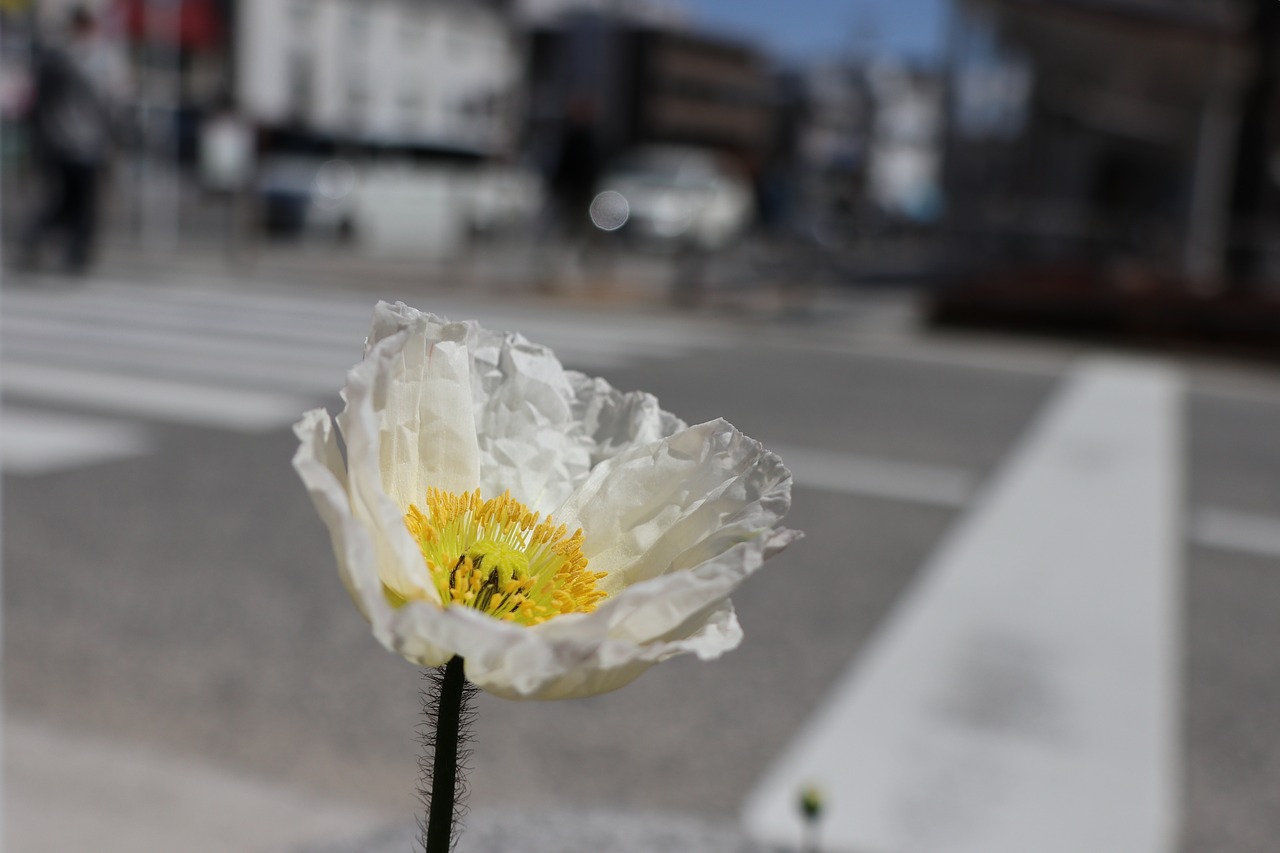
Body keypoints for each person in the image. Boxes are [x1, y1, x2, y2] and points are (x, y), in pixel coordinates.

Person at [21, 6, 125, 273]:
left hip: (63, 142)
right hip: (84, 143)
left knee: (71, 202)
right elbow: (112, 101)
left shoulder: (58, 58)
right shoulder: (91, 60)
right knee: (79, 204)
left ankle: (48, 242)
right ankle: (70, 251)